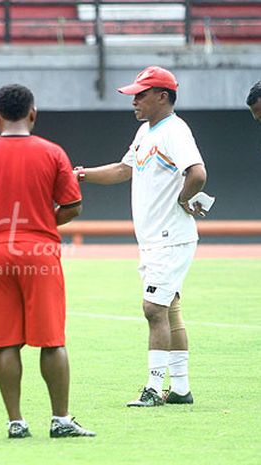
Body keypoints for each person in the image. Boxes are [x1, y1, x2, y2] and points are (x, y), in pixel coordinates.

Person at [0, 84, 95, 439]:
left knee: (6, 342)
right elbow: (73, 205)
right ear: (33, 113)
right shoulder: (52, 153)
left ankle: (16, 422)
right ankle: (60, 420)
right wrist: (44, 222)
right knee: (52, 340)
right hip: (41, 253)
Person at [75, 66, 207, 407]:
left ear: (162, 96)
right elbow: (124, 170)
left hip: (170, 236)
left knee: (153, 308)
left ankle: (153, 387)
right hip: (155, 238)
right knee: (169, 309)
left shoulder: (174, 131)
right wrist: (83, 175)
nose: (134, 100)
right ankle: (180, 388)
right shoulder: (148, 132)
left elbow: (197, 173)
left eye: (141, 94)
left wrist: (182, 199)